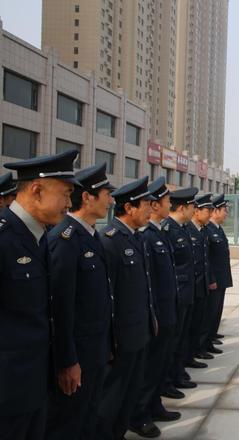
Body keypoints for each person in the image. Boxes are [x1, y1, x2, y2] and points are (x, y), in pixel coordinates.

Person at [0, 150, 79, 440]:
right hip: (7, 394)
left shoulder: (39, 236)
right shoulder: (5, 238)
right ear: (36, 190)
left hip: (34, 386)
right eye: (66, 194)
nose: (70, 204)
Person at [46, 163, 115, 440]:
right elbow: (60, 308)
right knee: (68, 423)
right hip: (78, 356)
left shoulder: (91, 235)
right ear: (87, 197)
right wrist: (68, 361)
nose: (111, 200)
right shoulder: (65, 239)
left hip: (96, 349)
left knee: (89, 417)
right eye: (106, 194)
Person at [96, 177, 158, 440]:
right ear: (130, 208)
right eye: (146, 205)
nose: (150, 210)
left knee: (129, 394)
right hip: (121, 338)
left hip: (138, 332)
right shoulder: (110, 240)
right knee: (112, 398)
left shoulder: (134, 238)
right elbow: (106, 298)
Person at [130, 177, 181, 438]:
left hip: (167, 310)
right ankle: (140, 415)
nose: (168, 205)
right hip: (156, 313)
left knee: (160, 363)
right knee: (149, 368)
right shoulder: (147, 237)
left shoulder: (159, 233)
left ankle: (154, 404)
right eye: (166, 201)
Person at [162, 187, 199, 395]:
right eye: (192, 206)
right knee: (173, 341)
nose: (194, 210)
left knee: (181, 337)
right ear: (183, 208)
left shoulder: (182, 228)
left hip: (186, 293)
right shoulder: (169, 230)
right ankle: (168, 380)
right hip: (176, 294)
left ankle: (178, 374)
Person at [186, 194, 215, 365]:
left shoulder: (202, 230)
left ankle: (194, 352)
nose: (210, 214)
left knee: (198, 322)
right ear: (196, 211)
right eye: (207, 211)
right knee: (188, 327)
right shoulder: (187, 230)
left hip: (201, 285)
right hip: (191, 287)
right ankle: (189, 355)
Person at [202, 194, 232, 353]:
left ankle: (212, 334)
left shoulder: (217, 229)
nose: (226, 213)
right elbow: (207, 258)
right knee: (210, 311)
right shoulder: (207, 230)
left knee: (217, 309)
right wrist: (211, 278)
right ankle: (206, 342)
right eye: (224, 210)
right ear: (214, 212)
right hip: (214, 278)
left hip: (222, 277)